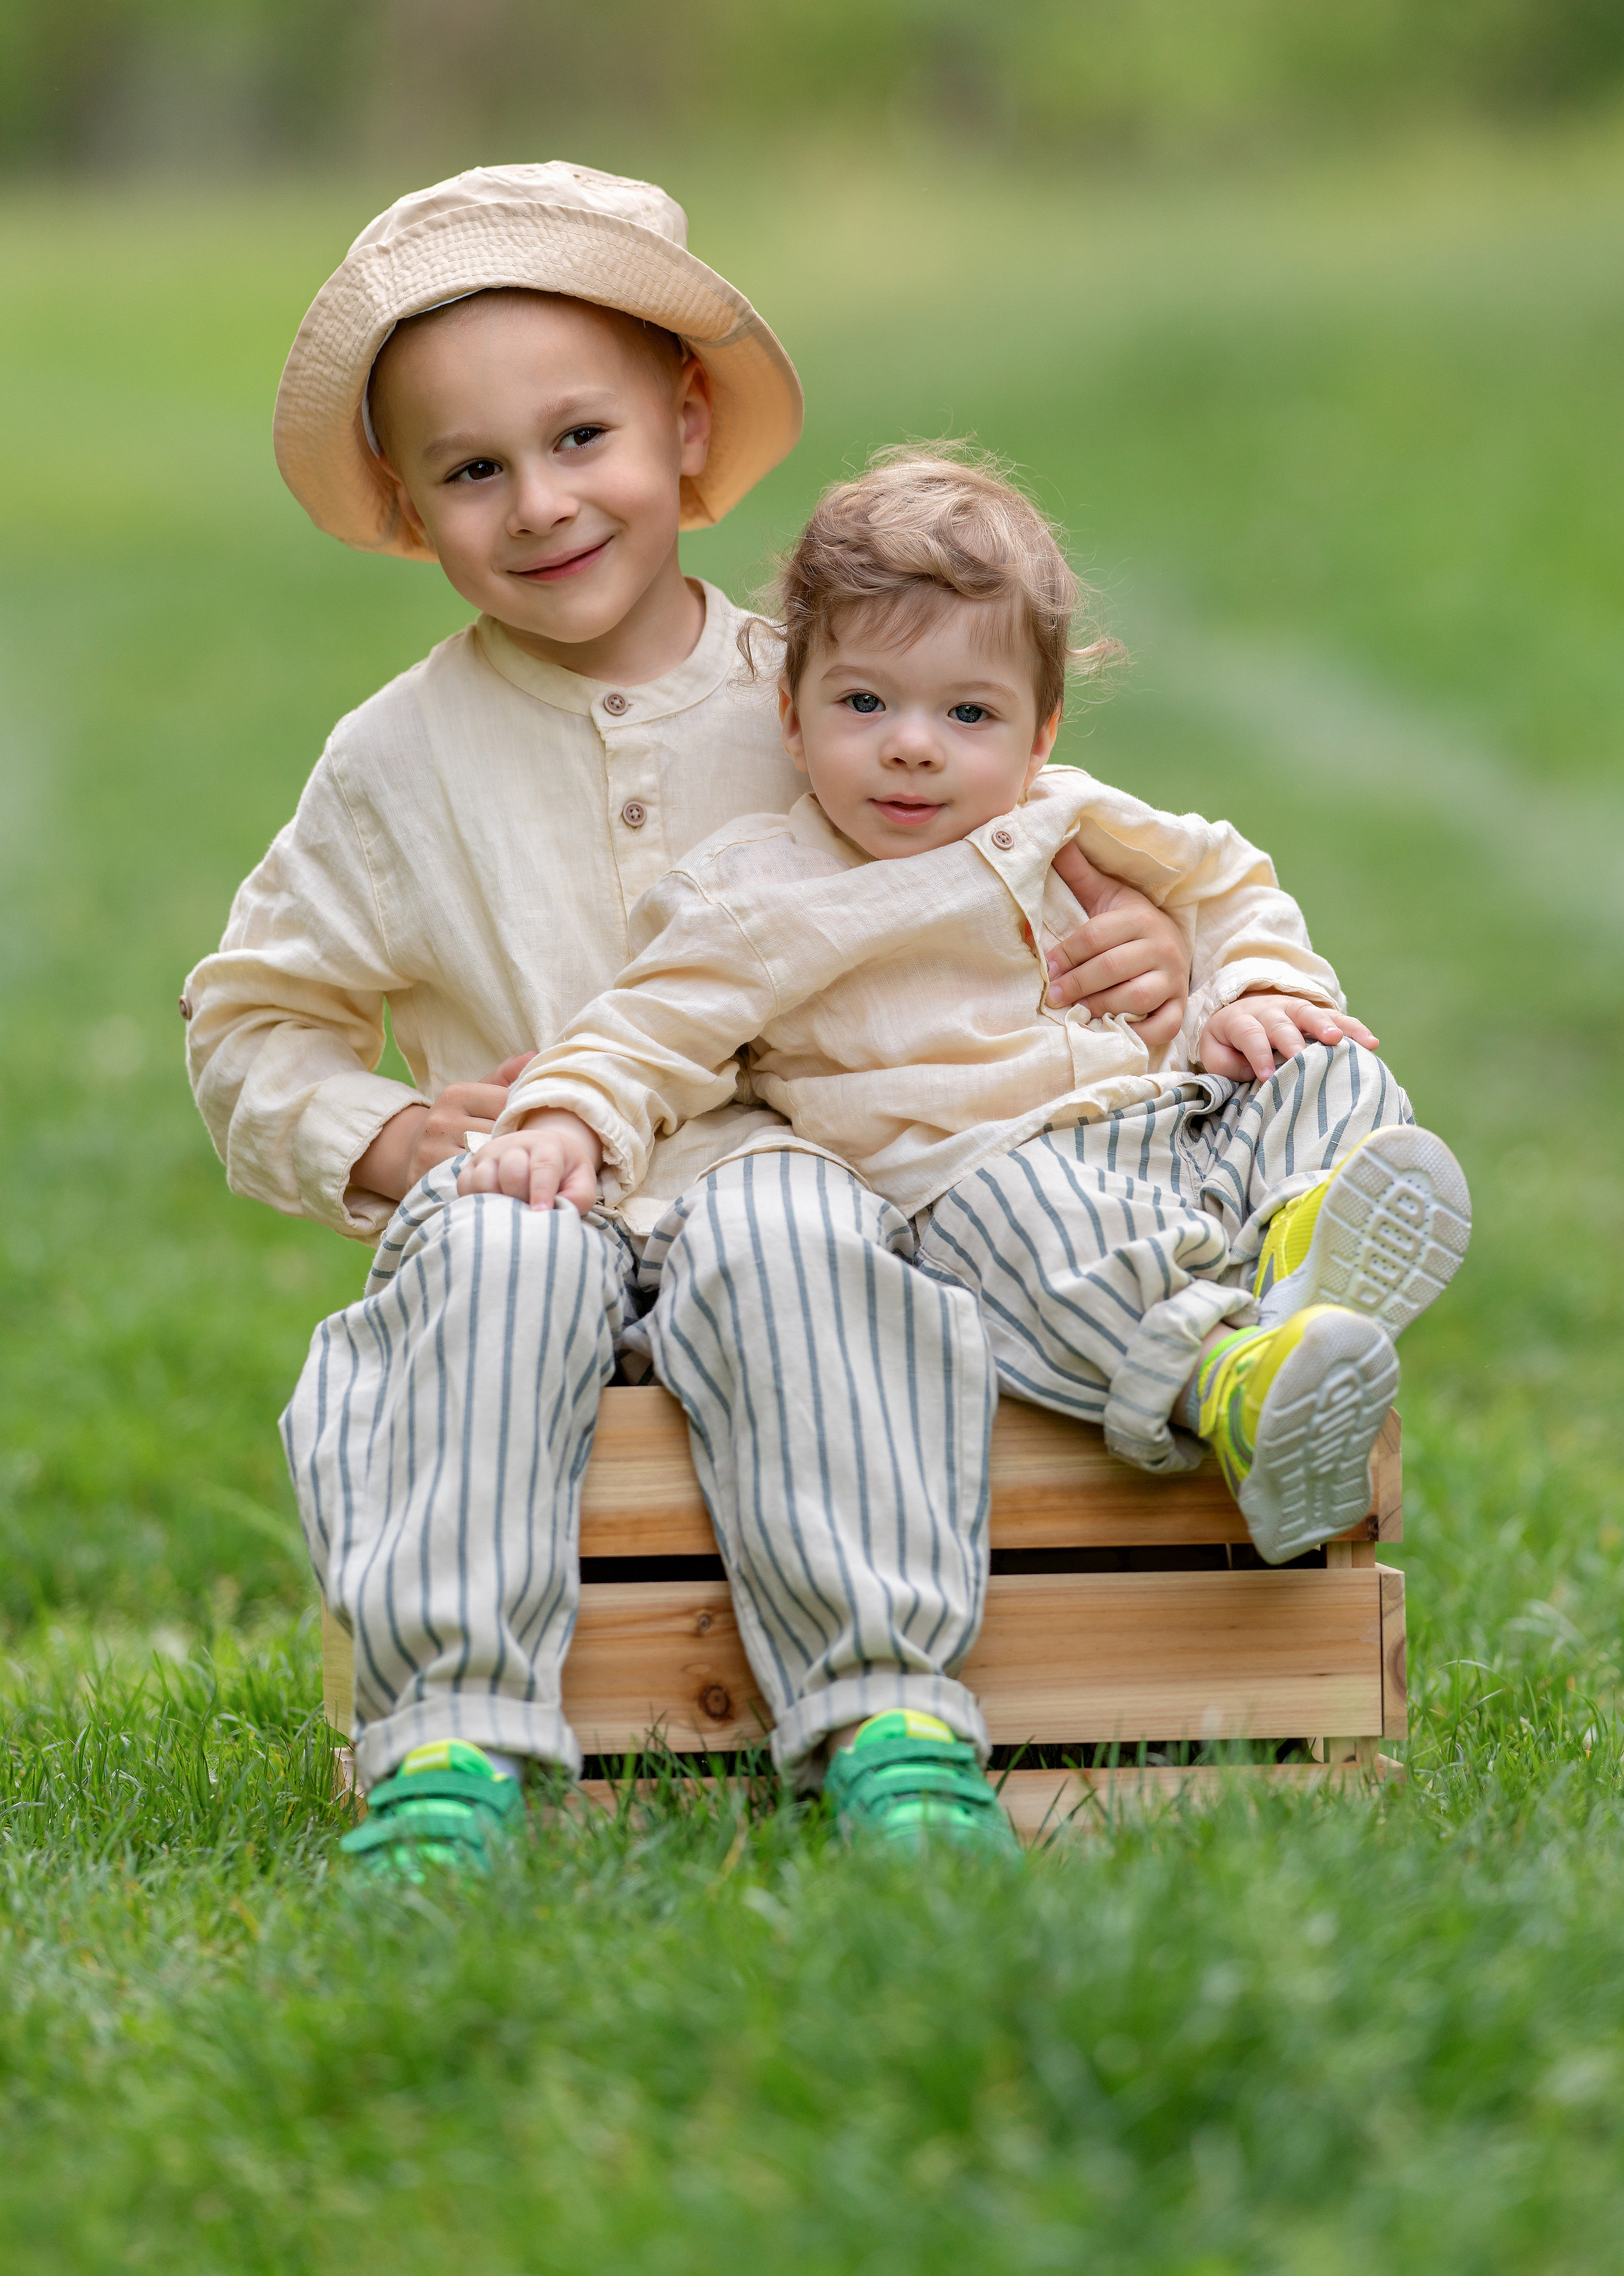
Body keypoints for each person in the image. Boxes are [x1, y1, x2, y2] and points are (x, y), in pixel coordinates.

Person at [185, 162, 1191, 1880]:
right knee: (498, 1265)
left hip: (786, 1173)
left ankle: (885, 1708)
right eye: (472, 470)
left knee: (797, 1234)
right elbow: (249, 1030)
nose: (540, 504)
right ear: (413, 511)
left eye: (582, 439)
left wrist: (1152, 946)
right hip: (529, 1181)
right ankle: (449, 1738)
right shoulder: (392, 764)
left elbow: (1023, 856)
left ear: (687, 427)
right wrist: (388, 1130)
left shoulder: (827, 696)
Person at [462, 446, 1473, 1846]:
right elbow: (650, 1024)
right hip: (972, 1184)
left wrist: (1248, 989)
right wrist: (566, 1112)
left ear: (1041, 730)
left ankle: (1310, 1240)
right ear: (792, 710)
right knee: (1026, 1224)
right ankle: (1229, 1375)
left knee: (1324, 1065)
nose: (912, 745)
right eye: (862, 703)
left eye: (967, 711)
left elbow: (1231, 882)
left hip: (1158, 1127)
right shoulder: (760, 890)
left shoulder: (1080, 823)